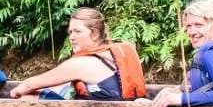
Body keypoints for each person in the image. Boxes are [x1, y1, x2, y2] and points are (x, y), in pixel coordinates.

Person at [9, 7, 146, 101]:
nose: (72, 37)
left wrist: (14, 93)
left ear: (95, 34)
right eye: (70, 32)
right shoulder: (110, 54)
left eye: (77, 31)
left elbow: (28, 85)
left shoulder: (81, 64)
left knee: (27, 98)